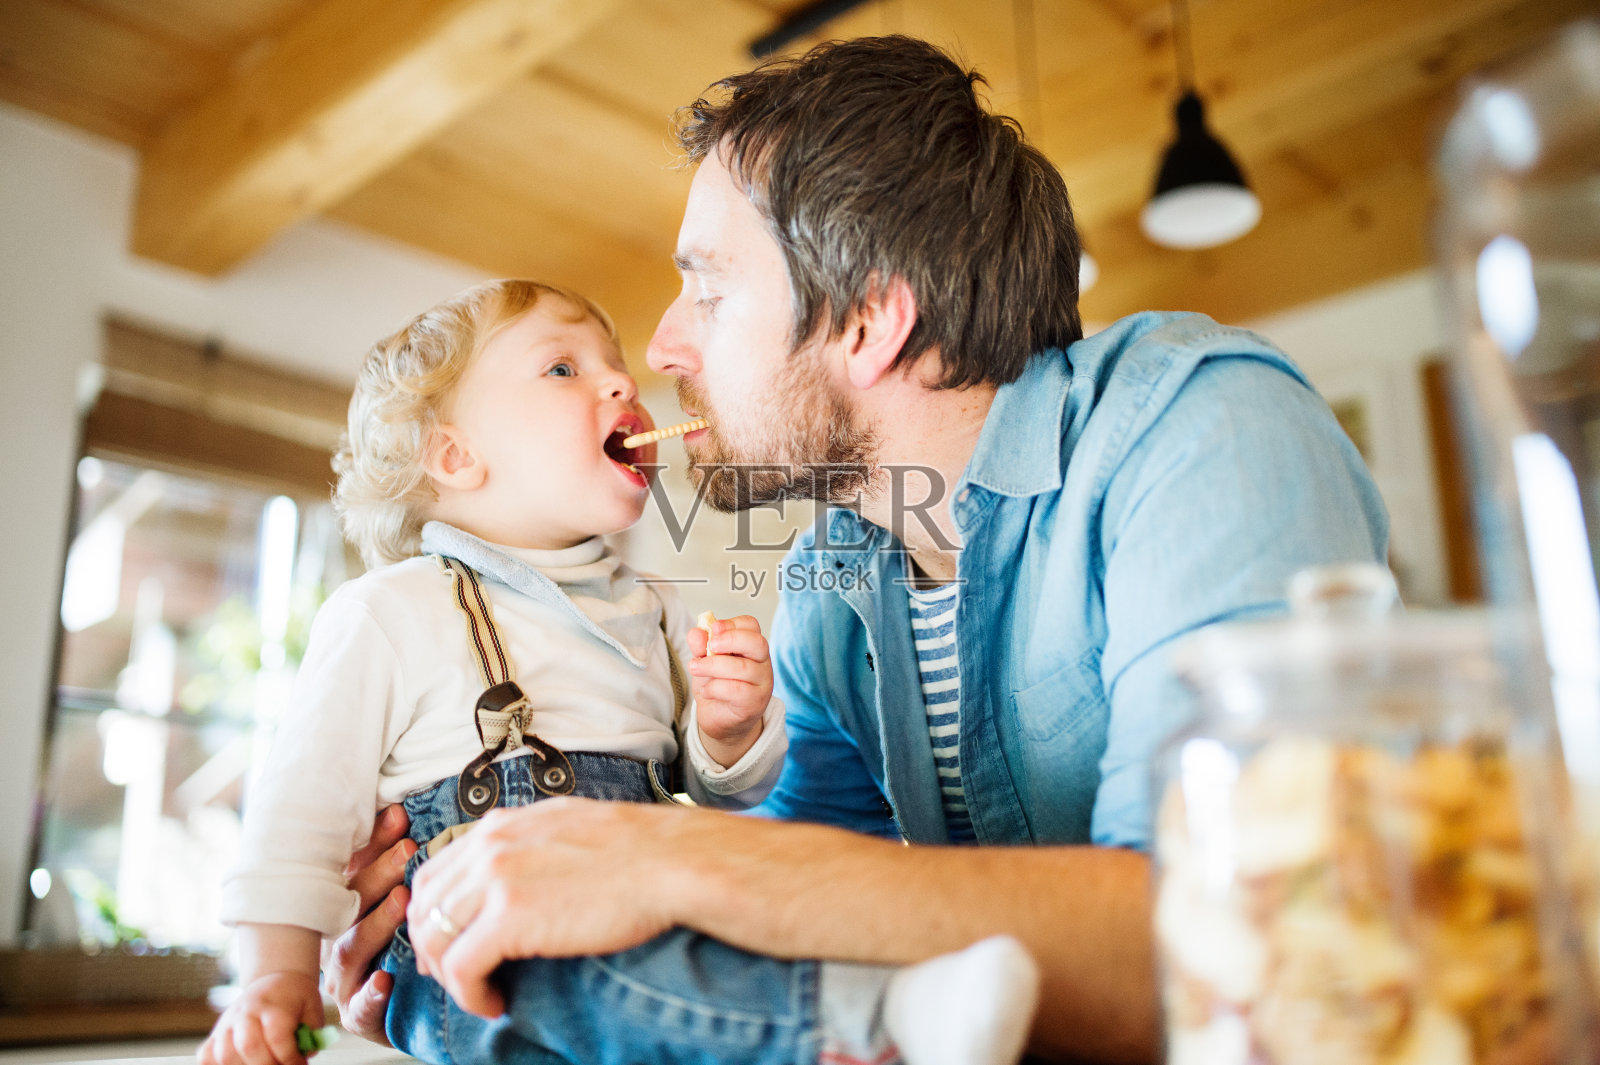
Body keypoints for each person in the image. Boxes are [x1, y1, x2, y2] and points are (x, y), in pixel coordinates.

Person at [323, 36, 1390, 1064]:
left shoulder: (1202, 430)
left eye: (710, 290)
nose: (661, 349)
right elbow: (812, 942)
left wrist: (675, 852)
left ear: (870, 321)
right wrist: (481, 970)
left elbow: (1251, 956)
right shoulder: (830, 590)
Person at [198, 278, 1042, 1065]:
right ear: (454, 456)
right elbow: (297, 812)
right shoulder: (390, 610)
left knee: (725, 932)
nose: (620, 386)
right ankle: (867, 1021)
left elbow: (717, 793)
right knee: (580, 958)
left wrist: (729, 731)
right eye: (564, 367)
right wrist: (276, 976)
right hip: (482, 948)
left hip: (632, 912)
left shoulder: (651, 608)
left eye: (617, 368)